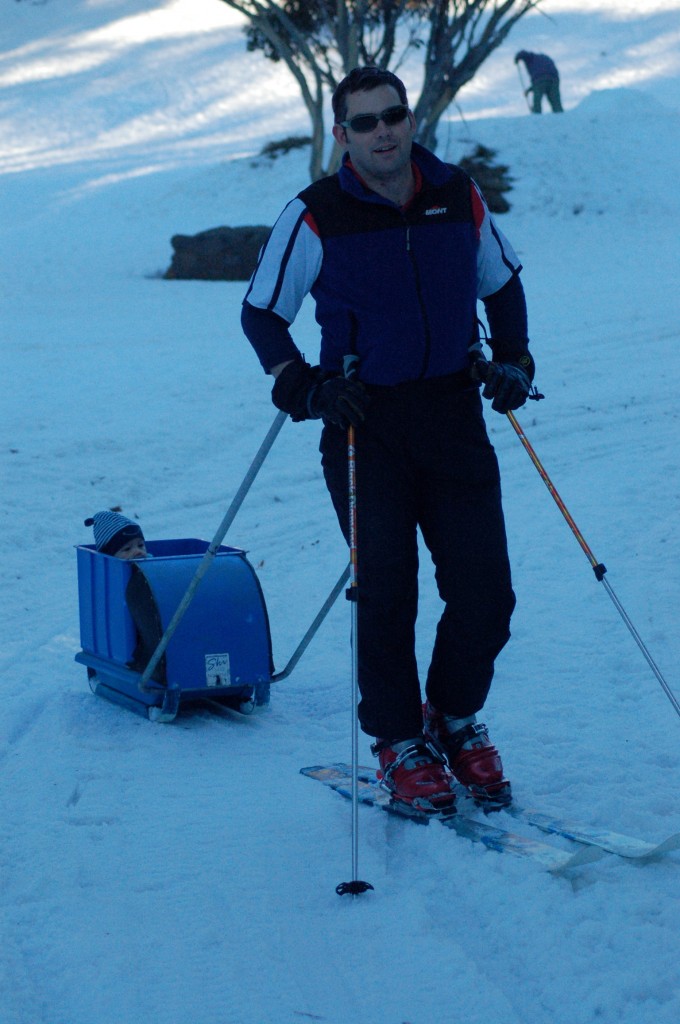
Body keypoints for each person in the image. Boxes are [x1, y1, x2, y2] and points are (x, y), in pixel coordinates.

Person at [241, 66, 537, 815]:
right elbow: (261, 314)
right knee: (387, 592)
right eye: (364, 121)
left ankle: (455, 716)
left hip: (451, 416)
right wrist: (302, 385)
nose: (382, 131)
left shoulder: (454, 193)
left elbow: (500, 282)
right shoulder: (317, 213)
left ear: (410, 121)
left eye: (392, 116)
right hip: (363, 424)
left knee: (486, 592)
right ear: (342, 134)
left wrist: (514, 360)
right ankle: (399, 740)